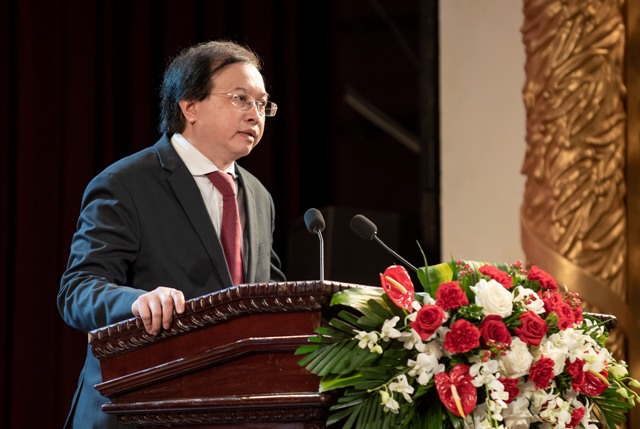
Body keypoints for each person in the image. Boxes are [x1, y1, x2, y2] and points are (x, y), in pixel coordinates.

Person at [57, 39, 286, 429]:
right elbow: (77, 290)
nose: (255, 115)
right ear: (190, 106)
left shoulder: (258, 195)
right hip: (136, 406)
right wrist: (137, 302)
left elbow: (266, 296)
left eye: (262, 104)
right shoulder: (126, 183)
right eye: (241, 99)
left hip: (224, 409)